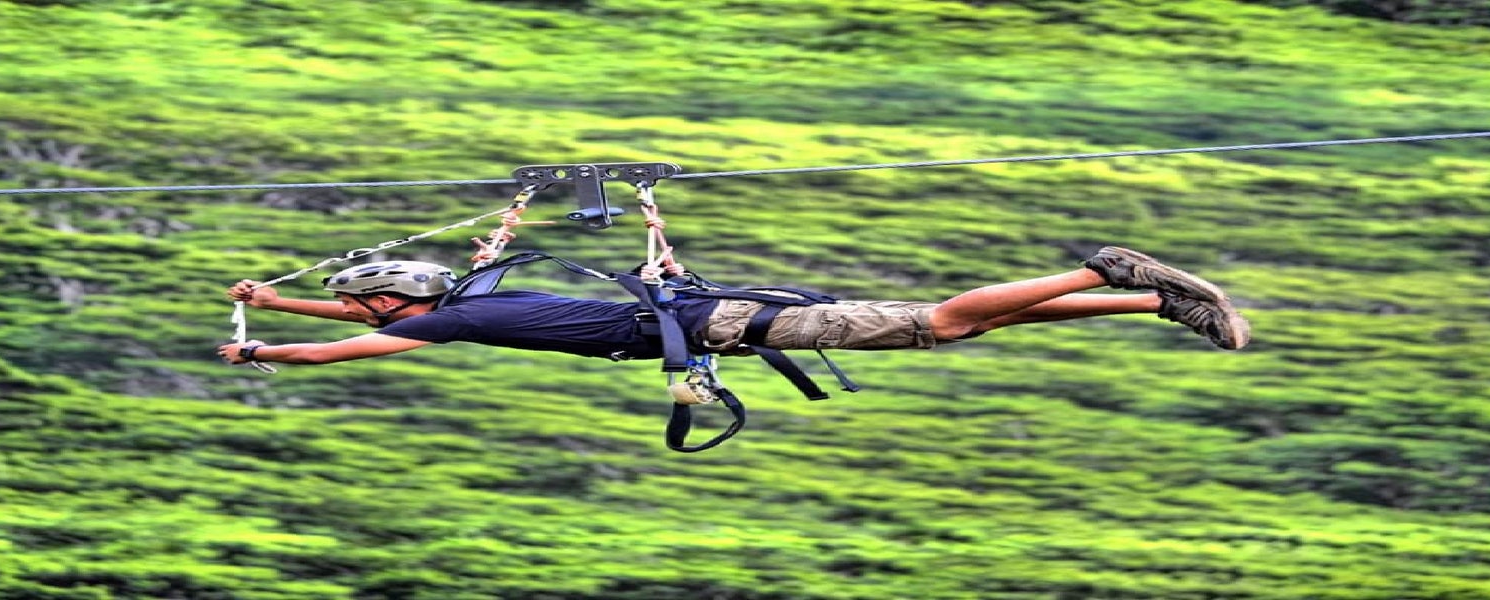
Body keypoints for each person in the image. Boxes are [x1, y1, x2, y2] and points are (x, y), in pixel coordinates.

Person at [215, 246, 1249, 367]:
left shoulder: (435, 321)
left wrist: (267, 350)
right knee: (958, 333)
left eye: (367, 303)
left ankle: (1100, 272)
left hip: (727, 327)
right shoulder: (469, 297)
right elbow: (368, 318)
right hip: (721, 318)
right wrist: (275, 299)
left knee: (944, 319)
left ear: (394, 301)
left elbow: (346, 348)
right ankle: (1149, 306)